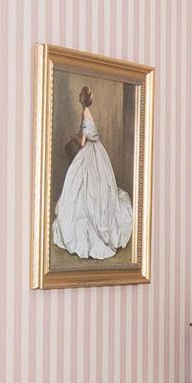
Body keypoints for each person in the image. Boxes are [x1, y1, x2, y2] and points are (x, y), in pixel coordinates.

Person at [49, 85, 136, 261]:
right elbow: (89, 135)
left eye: (81, 95)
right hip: (95, 152)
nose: (80, 97)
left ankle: (91, 231)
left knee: (86, 189)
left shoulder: (85, 113)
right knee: (85, 189)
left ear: (83, 99)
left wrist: (73, 137)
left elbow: (83, 142)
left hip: (90, 152)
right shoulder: (87, 113)